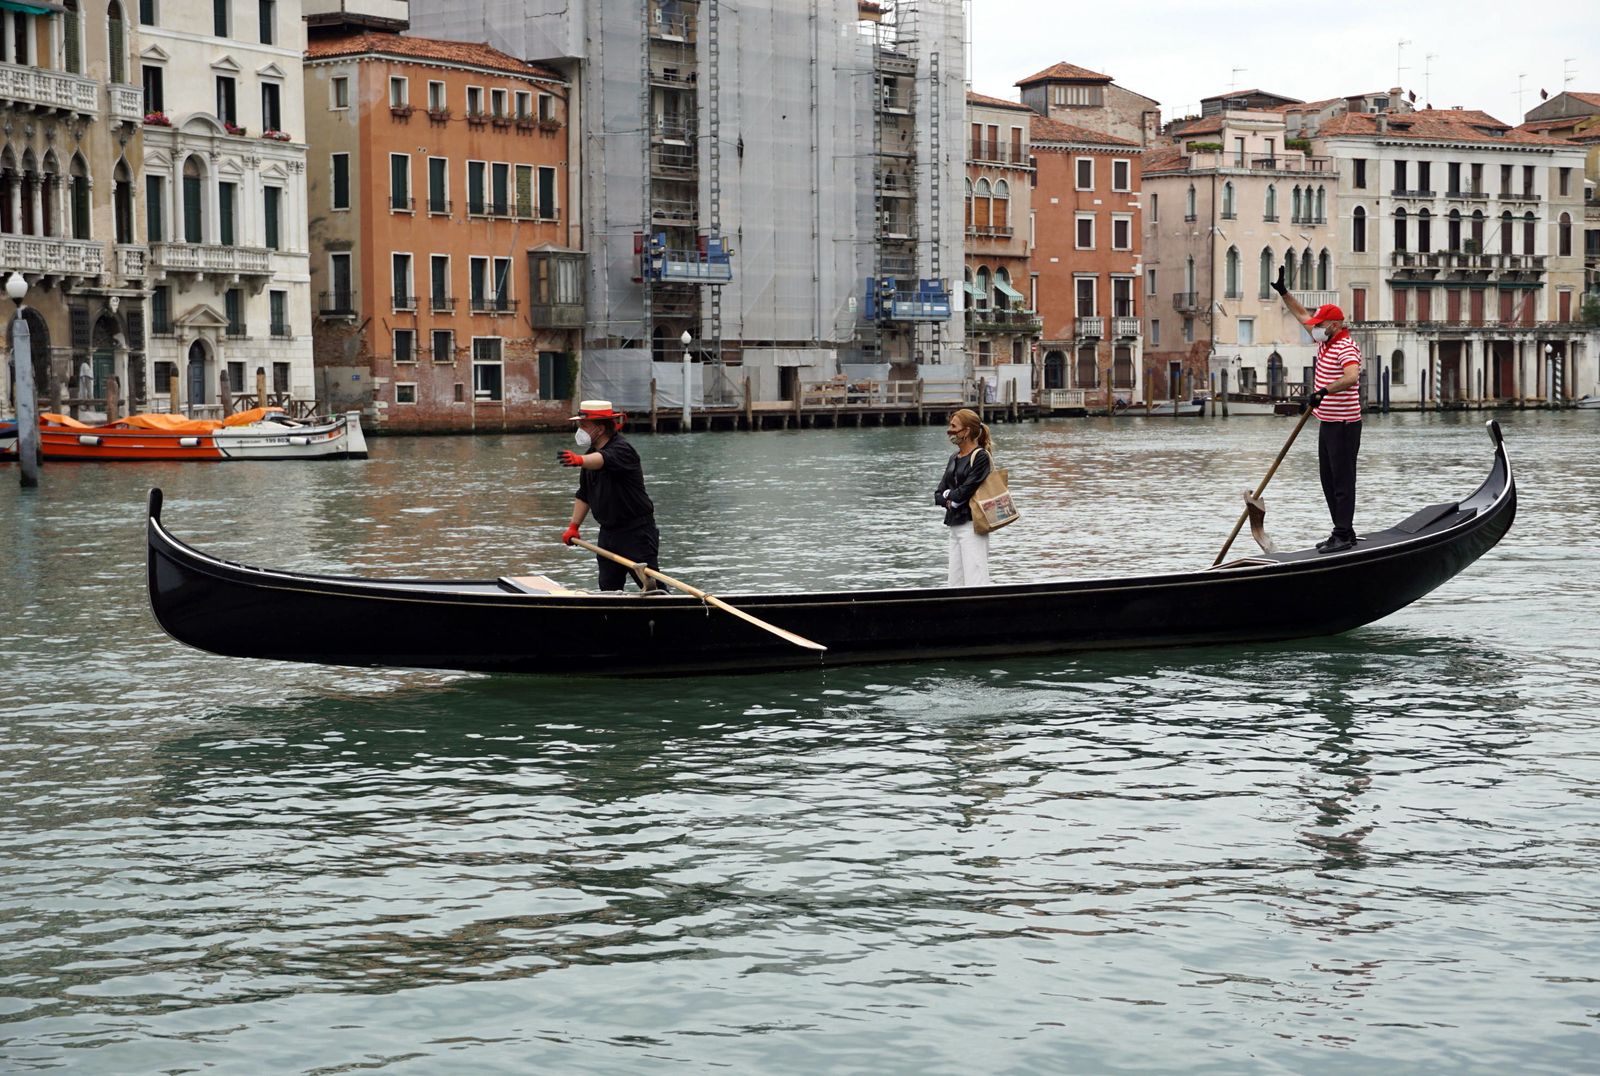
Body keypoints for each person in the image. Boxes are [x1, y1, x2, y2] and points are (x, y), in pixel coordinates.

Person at [1273, 268, 1364, 553]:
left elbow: (1351, 377)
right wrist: (1284, 293)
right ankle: (1342, 529)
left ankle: (1343, 534)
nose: (1315, 328)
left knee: (1342, 479)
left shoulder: (1345, 347)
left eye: (1321, 324)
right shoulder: (1324, 341)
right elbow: (1302, 316)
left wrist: (1324, 391)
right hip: (1327, 421)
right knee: (1328, 478)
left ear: (1334, 325)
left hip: (1345, 424)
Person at [557, 399, 660, 590]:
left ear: (600, 429)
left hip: (636, 533)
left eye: (584, 425)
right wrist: (573, 526)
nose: (580, 429)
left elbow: (604, 459)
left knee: (651, 586)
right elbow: (584, 494)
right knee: (608, 588)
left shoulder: (622, 450)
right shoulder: (589, 456)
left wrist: (579, 459)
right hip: (608, 534)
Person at [933, 408, 994, 586]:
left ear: (966, 431)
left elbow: (963, 492)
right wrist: (949, 498)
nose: (949, 430)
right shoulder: (954, 457)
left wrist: (950, 496)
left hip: (972, 525)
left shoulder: (980, 456)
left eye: (953, 426)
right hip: (954, 524)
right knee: (954, 582)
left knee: (976, 577)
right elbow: (938, 494)